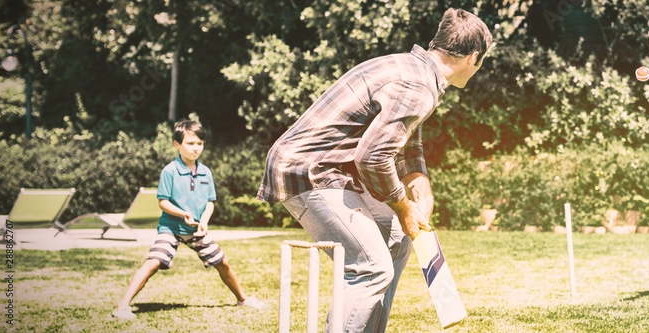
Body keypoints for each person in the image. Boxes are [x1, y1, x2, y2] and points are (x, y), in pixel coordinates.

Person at [256, 8, 492, 332]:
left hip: (331, 170)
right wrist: (403, 205)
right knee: (370, 268)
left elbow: (407, 146)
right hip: (308, 168)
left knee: (397, 238)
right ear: (474, 57)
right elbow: (373, 157)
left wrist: (421, 189)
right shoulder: (419, 85)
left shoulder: (414, 71)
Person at [112, 120, 267, 320]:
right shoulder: (169, 171)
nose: (196, 148)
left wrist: (204, 220)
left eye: (200, 144)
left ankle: (243, 299)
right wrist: (182, 213)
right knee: (153, 262)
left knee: (223, 263)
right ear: (177, 144)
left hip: (196, 231)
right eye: (190, 143)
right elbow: (163, 202)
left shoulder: (206, 172)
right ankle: (122, 306)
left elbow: (210, 202)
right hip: (171, 227)